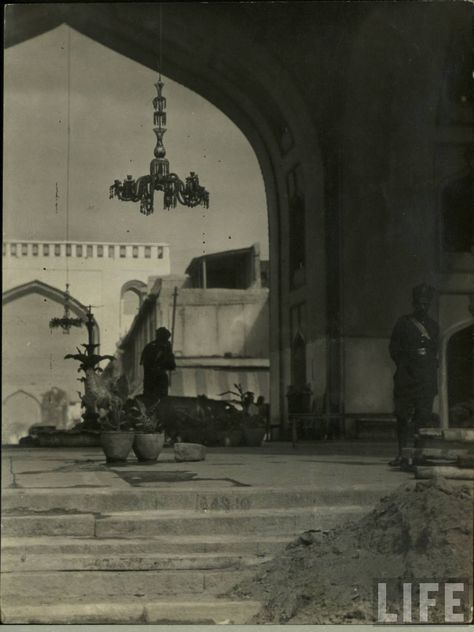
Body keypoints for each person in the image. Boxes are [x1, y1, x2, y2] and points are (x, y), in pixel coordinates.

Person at [389, 284, 439, 467]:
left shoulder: (434, 327)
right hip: (406, 378)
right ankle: (402, 454)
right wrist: (410, 360)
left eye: (426, 303)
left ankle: (418, 454)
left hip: (426, 380)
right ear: (413, 303)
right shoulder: (403, 324)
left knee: (423, 417)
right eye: (419, 303)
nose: (423, 307)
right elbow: (394, 349)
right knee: (402, 416)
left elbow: (435, 352)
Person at [140, 327, 176, 402]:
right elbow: (147, 366)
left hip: (156, 383)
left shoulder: (163, 348)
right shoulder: (151, 348)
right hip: (153, 382)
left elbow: (172, 365)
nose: (166, 342)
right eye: (165, 339)